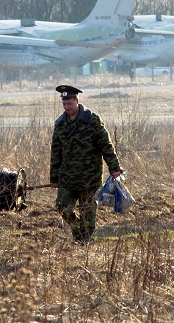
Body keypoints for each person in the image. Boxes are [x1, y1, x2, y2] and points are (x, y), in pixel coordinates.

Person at [50, 84, 124, 244]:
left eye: (69, 103)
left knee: (88, 214)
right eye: (64, 104)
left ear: (77, 101)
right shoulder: (60, 124)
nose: (67, 107)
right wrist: (54, 177)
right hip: (67, 178)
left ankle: (83, 243)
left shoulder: (91, 120)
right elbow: (56, 152)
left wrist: (114, 168)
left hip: (89, 178)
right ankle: (78, 232)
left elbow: (106, 145)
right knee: (62, 206)